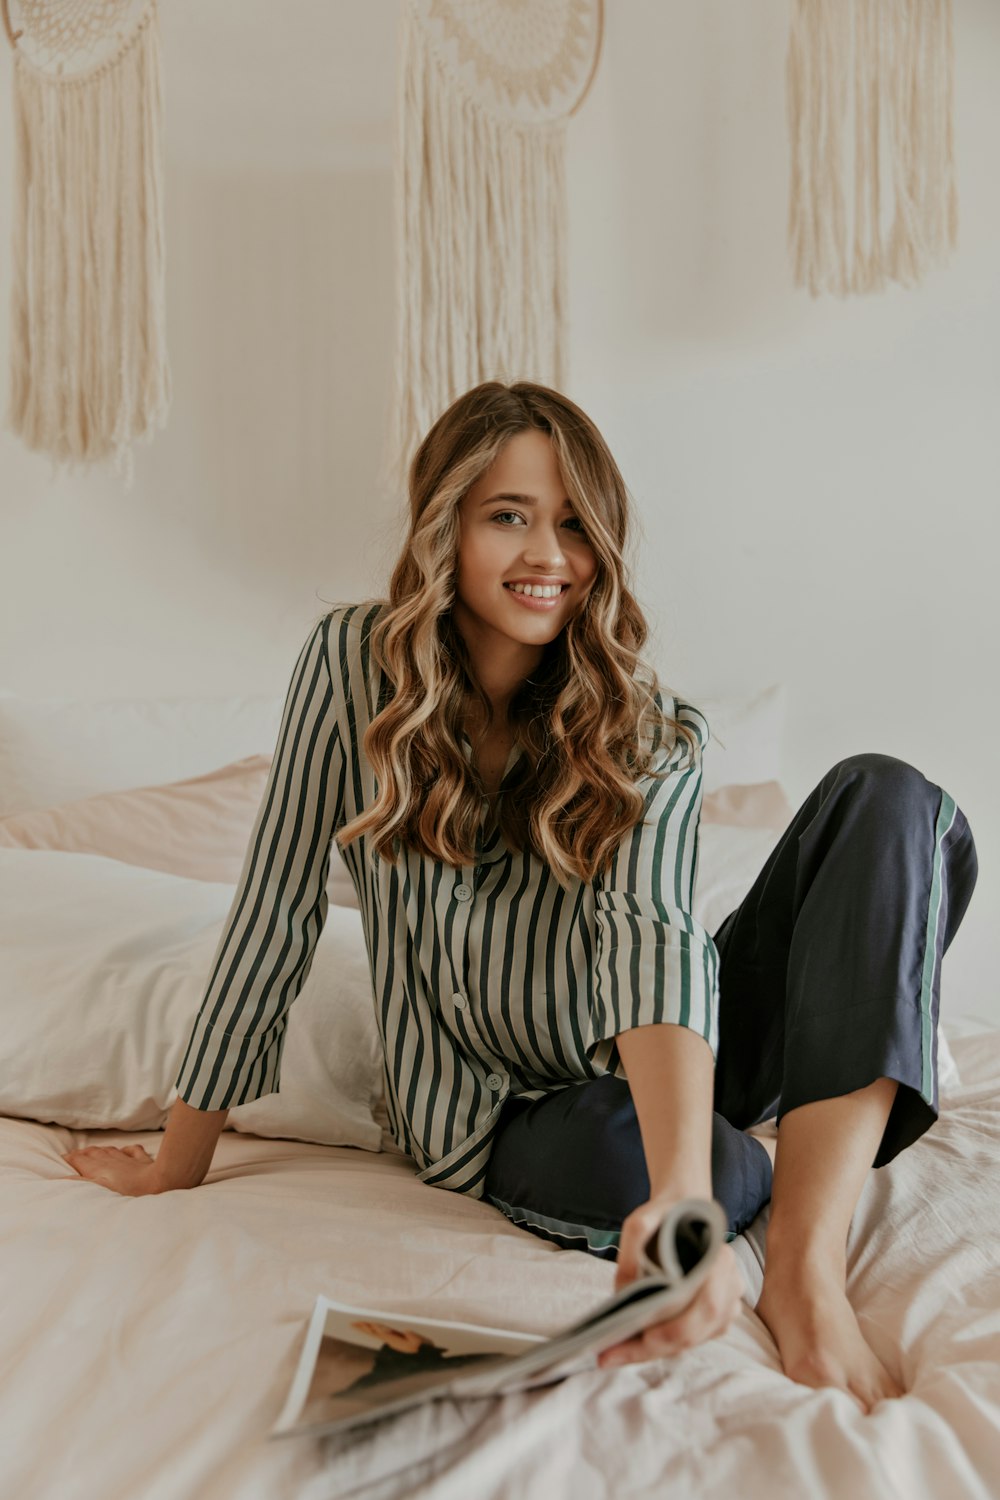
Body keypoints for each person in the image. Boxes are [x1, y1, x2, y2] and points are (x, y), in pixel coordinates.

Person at [62, 380, 978, 1416]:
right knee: (722, 1173)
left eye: (576, 524)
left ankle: (807, 1282)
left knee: (893, 797)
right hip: (513, 1105)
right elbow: (275, 912)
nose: (550, 555)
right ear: (442, 524)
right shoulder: (349, 668)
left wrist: (675, 1195)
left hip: (677, 1042)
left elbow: (656, 942)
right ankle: (745, 1147)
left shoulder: (646, 725)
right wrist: (178, 1166)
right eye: (510, 516)